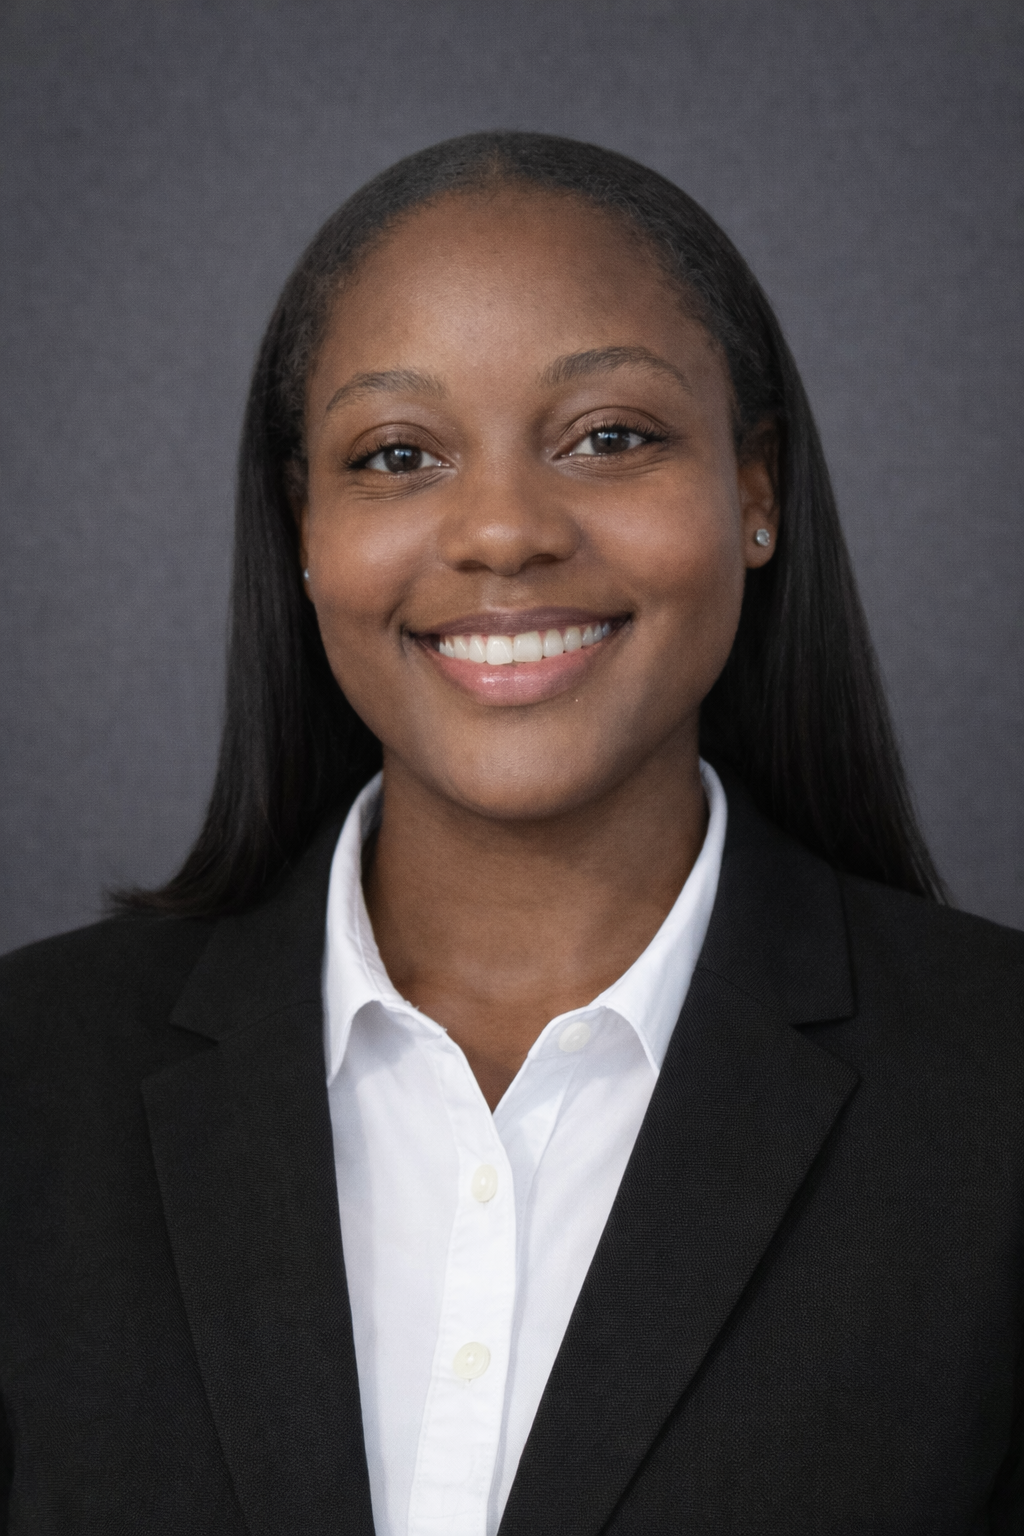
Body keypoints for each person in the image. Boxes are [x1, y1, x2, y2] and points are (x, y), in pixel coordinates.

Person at [0, 131, 1021, 1535]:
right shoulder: (27, 1086)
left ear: (757, 491)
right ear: (303, 524)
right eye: (397, 453)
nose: (500, 531)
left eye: (610, 436)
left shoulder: (996, 1095)